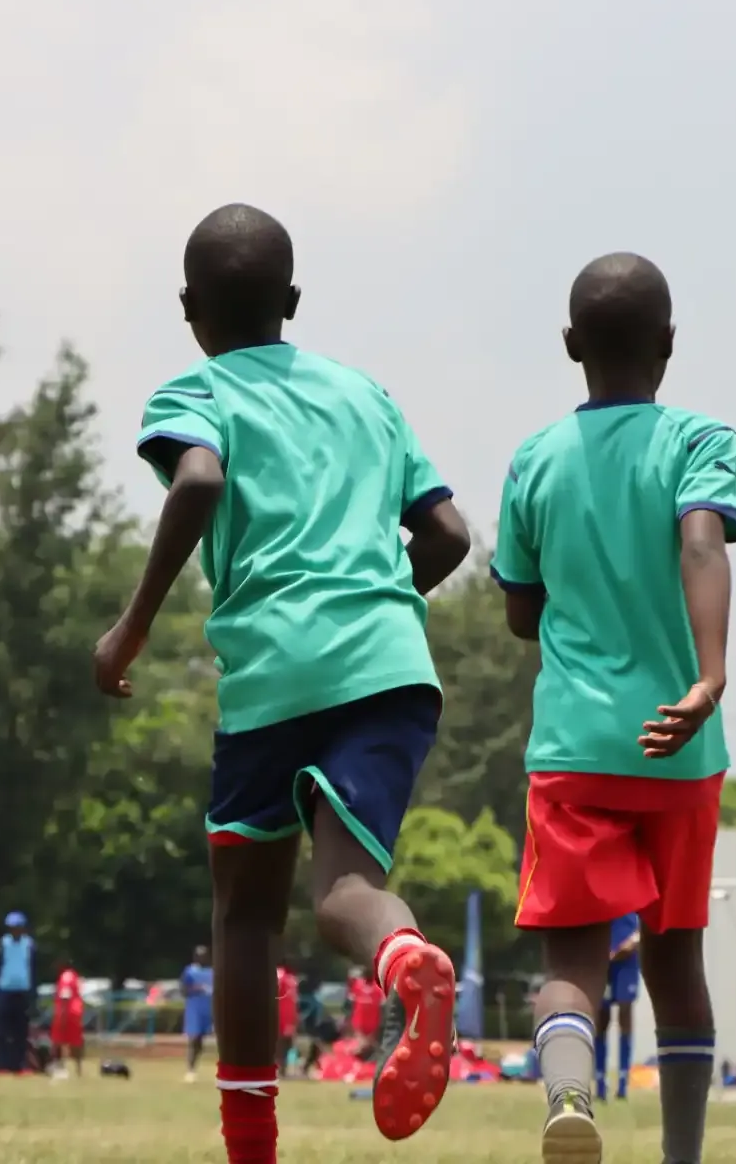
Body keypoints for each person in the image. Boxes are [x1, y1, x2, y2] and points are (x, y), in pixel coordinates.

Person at [92, 203, 472, 1161]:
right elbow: (450, 537)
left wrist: (132, 627)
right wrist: (376, 613)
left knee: (247, 913)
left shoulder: (198, 389)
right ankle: (401, 955)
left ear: (189, 308)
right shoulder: (366, 395)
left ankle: (252, 1148)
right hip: (392, 666)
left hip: (272, 672)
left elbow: (200, 484)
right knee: (347, 888)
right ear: (292, 301)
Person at [493, 252, 736, 1164]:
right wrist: (706, 680)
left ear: (570, 346)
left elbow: (521, 609)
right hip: (681, 746)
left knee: (572, 966)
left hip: (575, 746)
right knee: (677, 961)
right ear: (669, 344)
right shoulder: (701, 440)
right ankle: (680, 1158)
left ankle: (569, 1098)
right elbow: (704, 543)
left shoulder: (534, 459)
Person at [595, 914, 640, 1102]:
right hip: (603, 961)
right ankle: (600, 1084)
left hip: (627, 962)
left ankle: (622, 1084)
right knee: (601, 1020)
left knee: (625, 1013)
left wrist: (634, 940)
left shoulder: (637, 888)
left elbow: (647, 922)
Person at [0, 912, 35, 1074]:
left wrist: (33, 995)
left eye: (18, 927)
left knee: (20, 1032)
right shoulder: (1, 945)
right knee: (1, 1031)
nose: (15, 930)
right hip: (4, 992)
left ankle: (19, 1064)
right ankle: (1, 1064)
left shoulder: (29, 945)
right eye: (12, 928)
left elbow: (33, 969)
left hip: (22, 992)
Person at [182, 945, 214, 1084]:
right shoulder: (189, 971)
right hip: (194, 1010)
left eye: (204, 955)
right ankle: (190, 1070)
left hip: (208, 1010)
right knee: (193, 1039)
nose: (202, 957)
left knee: (201, 1043)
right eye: (199, 955)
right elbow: (183, 990)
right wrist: (196, 988)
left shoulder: (212, 972)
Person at [51, 959, 85, 1078]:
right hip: (76, 1012)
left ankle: (58, 1066)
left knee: (58, 1041)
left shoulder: (65, 976)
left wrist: (63, 1016)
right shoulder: (75, 976)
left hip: (66, 1012)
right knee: (76, 1042)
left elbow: (65, 995)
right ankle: (79, 1069)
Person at [275, 962, 298, 1074]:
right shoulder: (292, 979)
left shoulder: (281, 975)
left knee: (281, 1042)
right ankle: (281, 1067)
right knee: (285, 1042)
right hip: (289, 1016)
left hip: (282, 1015)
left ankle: (279, 1067)